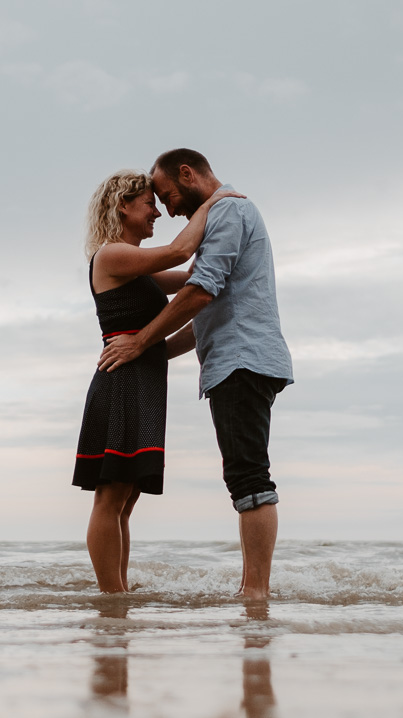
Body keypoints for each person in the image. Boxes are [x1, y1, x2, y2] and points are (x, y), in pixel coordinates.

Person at [98, 149, 294, 600]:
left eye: (167, 195)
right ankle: (252, 589)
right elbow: (203, 309)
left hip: (242, 361)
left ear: (187, 175)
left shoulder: (227, 210)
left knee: (249, 477)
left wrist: (140, 342)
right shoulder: (223, 213)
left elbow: (199, 291)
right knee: (244, 475)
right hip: (240, 359)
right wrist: (151, 353)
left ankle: (255, 593)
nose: (167, 209)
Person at [74, 170, 243, 593]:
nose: (157, 213)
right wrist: (214, 201)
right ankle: (111, 596)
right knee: (110, 497)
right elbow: (180, 251)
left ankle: (120, 592)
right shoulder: (111, 255)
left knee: (126, 502)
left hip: (144, 379)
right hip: (121, 381)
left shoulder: (139, 270)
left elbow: (194, 280)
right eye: (150, 204)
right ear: (123, 207)